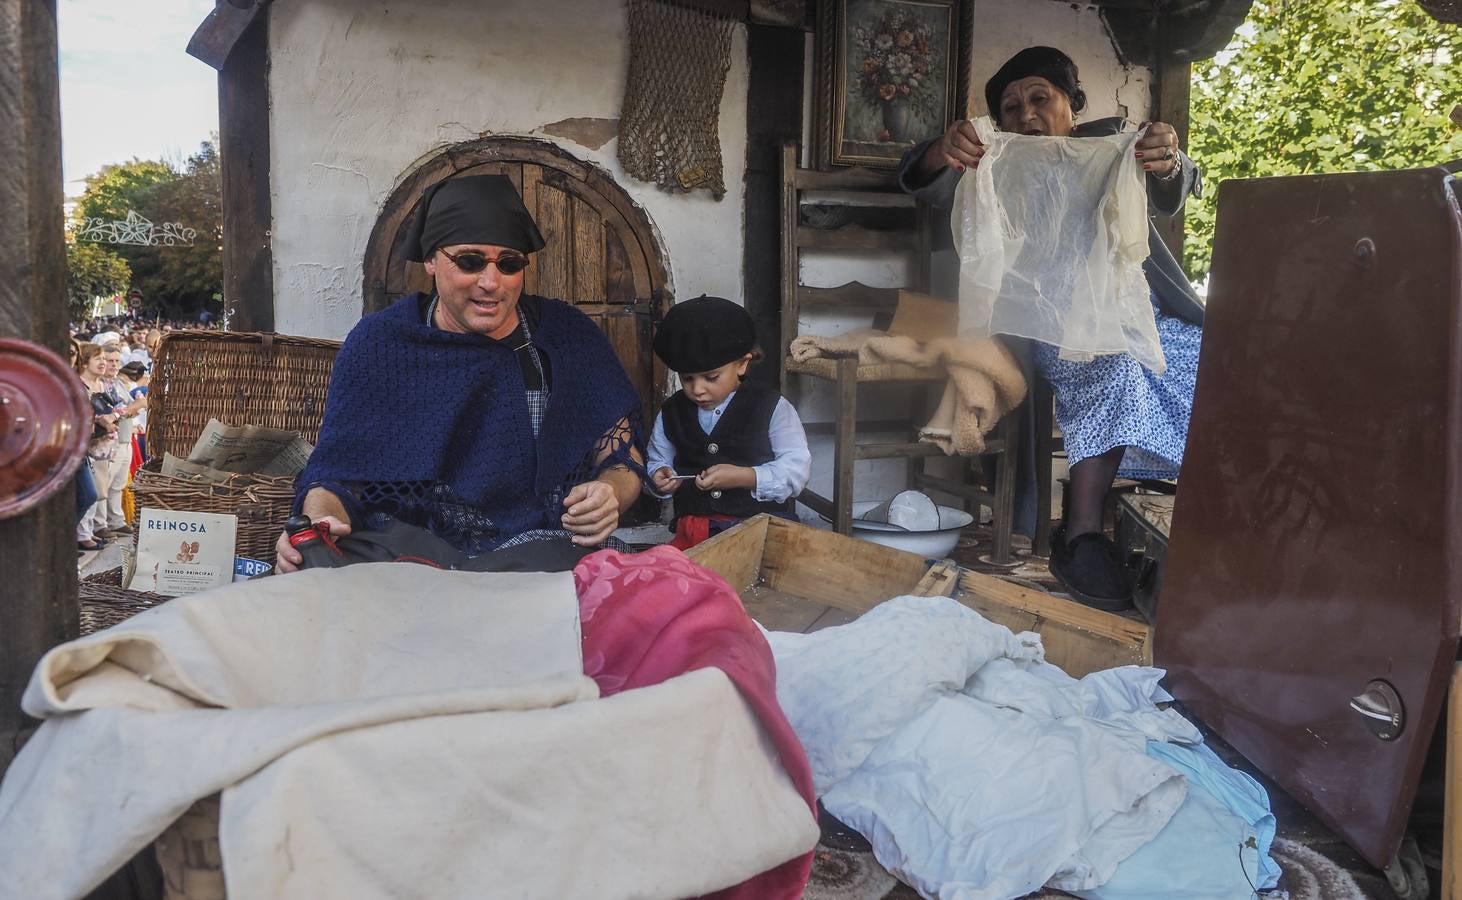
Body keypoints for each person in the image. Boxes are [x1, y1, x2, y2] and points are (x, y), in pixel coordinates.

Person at [899, 46, 1204, 610]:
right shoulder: (992, 160)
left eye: (1041, 99)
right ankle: (1082, 533)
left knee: (1219, 358)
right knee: (1111, 363)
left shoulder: (1111, 144)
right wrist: (943, 151)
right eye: (1012, 107)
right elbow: (926, 183)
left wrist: (1168, 159)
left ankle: (1206, 526)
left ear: (1073, 105)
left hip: (1135, 311)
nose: (1026, 115)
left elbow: (1174, 187)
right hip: (1041, 325)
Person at [276, 174, 646, 573]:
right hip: (412, 552)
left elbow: (621, 455)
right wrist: (319, 522)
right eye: (470, 262)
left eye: (508, 264)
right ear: (432, 261)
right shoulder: (380, 344)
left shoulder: (567, 338)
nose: (491, 283)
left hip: (543, 548)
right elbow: (334, 477)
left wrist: (610, 492)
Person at [647, 296, 811, 550]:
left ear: (742, 364)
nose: (697, 389)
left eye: (711, 377)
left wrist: (745, 476)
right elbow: (658, 460)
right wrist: (660, 477)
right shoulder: (671, 412)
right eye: (687, 378)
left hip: (760, 531)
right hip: (694, 534)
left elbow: (795, 471)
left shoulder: (771, 407)